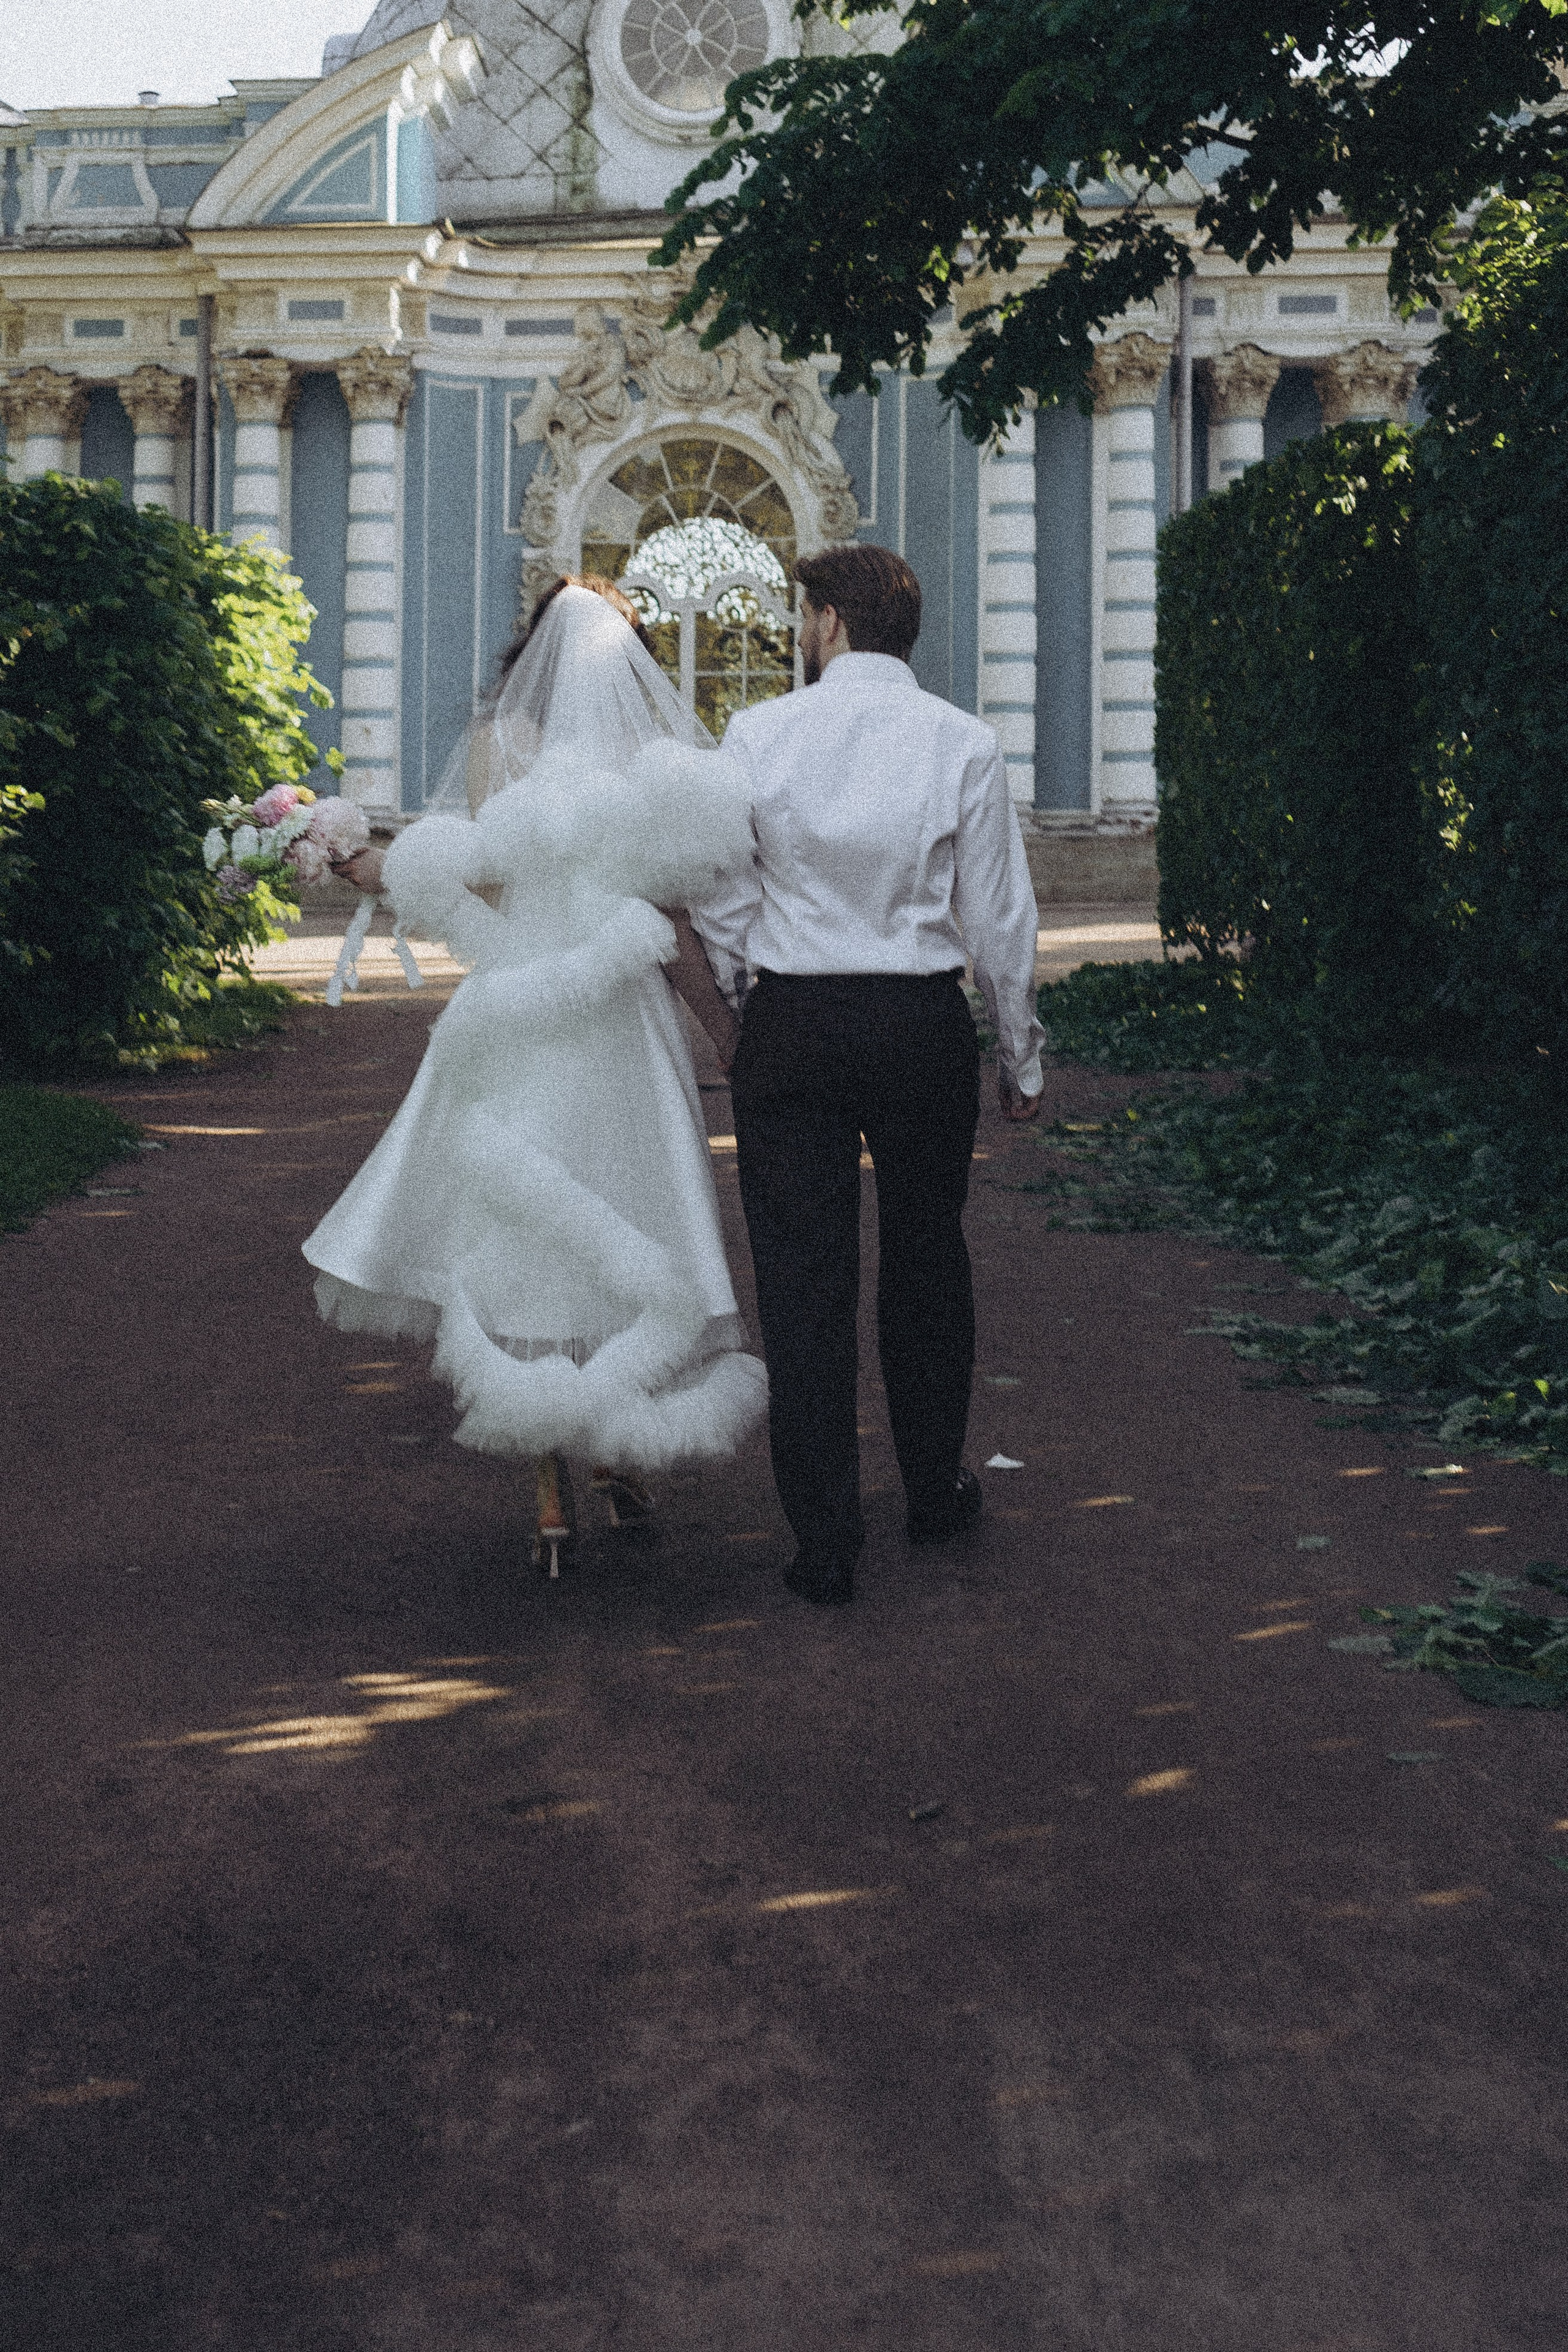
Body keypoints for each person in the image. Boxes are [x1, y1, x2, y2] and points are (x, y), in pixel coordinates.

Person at [304, 577, 764, 1574]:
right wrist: (724, 1031)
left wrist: (346, 854)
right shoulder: (650, 767)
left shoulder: (499, 745)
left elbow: (469, 875)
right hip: (621, 1028)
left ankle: (553, 1482)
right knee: (631, 1217)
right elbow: (677, 927)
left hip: (519, 1015)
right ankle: (616, 1454)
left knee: (533, 1240)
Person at [693, 543, 1044, 1607]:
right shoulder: (964, 742)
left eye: (805, 615)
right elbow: (998, 918)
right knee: (928, 1258)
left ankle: (826, 1542)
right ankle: (933, 1494)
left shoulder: (756, 733)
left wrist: (756, 991)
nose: (801, 631)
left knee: (802, 1282)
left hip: (796, 1022)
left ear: (833, 621)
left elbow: (718, 889)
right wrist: (1019, 1052)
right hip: (919, 1022)